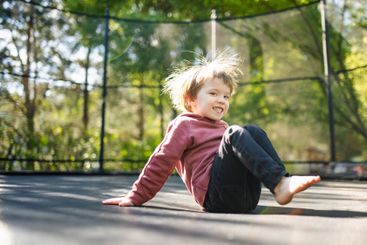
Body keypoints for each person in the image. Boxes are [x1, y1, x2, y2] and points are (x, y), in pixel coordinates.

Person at [102, 50, 320, 213]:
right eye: (214, 93)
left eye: (226, 96)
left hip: (247, 199)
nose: (221, 100)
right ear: (191, 100)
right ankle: (280, 183)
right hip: (215, 197)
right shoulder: (184, 124)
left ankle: (280, 183)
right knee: (237, 132)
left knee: (253, 130)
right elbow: (162, 159)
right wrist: (136, 196)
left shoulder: (224, 129)